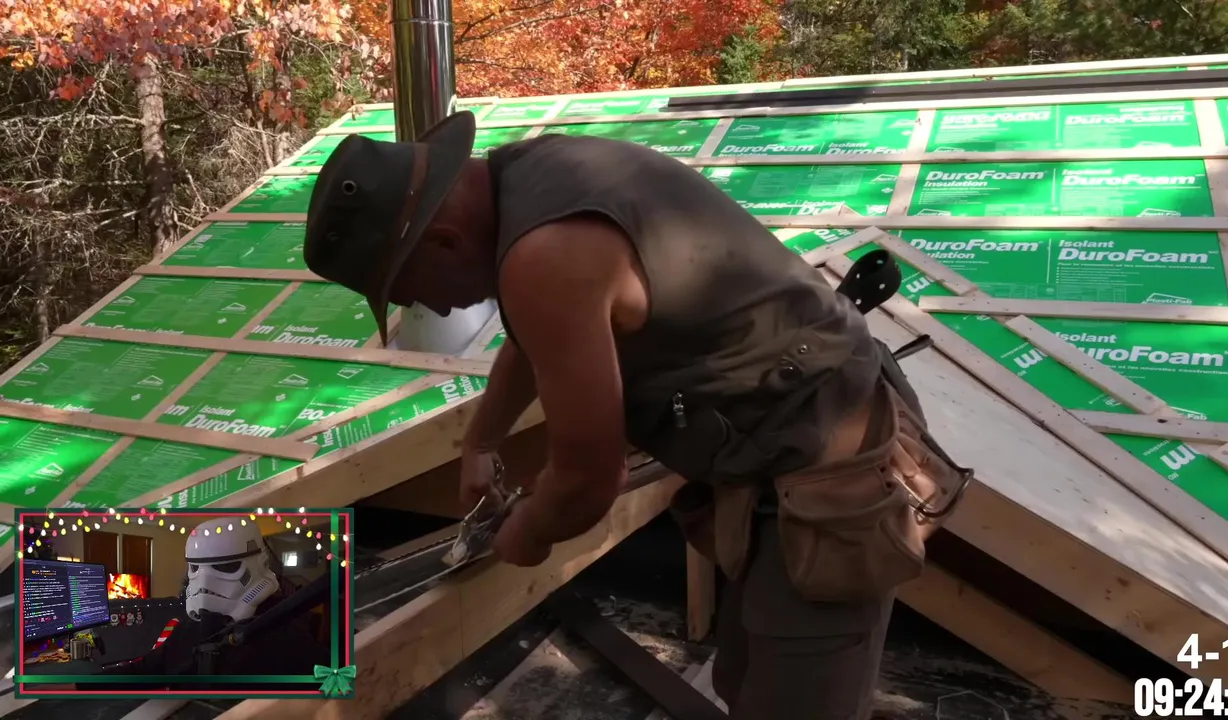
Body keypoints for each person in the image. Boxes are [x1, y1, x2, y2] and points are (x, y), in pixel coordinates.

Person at [303, 111, 970, 719]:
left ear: (443, 243)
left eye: (414, 293)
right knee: (746, 677)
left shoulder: (547, 254)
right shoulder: (532, 176)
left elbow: (589, 481)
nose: (438, 309)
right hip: (775, 453)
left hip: (831, 465)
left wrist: (529, 532)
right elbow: (538, 335)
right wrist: (482, 440)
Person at [86, 517, 328, 691]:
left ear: (260, 566)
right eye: (196, 568)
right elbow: (146, 671)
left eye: (225, 567)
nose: (206, 582)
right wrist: (79, 685)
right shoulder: (189, 631)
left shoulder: (290, 637)